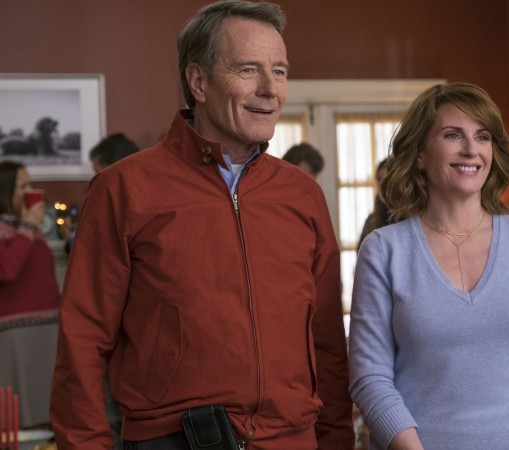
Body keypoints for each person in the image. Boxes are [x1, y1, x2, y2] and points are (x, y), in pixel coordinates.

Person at [50, 2, 354, 449]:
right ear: (199, 82)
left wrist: (335, 442)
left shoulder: (303, 195)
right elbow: (83, 340)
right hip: (171, 440)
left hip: (292, 439)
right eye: (248, 70)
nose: (270, 89)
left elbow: (327, 342)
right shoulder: (122, 189)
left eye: (280, 71)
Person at [349, 82, 509, 450]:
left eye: (482, 137)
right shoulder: (383, 250)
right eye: (453, 135)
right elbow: (370, 378)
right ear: (420, 153)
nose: (471, 149)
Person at [62, 133, 139, 254]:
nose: (95, 179)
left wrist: (73, 241)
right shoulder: (142, 194)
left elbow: (102, 254)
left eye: (98, 173)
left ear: (114, 169)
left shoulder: (118, 204)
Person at [0, 161, 60, 316]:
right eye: (23, 186)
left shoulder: (29, 228)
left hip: (49, 321)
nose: (30, 191)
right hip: (14, 325)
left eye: (30, 185)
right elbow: (6, 271)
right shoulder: (26, 227)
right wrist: (28, 225)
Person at [357, 158, 391, 250]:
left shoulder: (411, 219)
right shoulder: (371, 221)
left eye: (387, 179)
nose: (382, 185)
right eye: (380, 179)